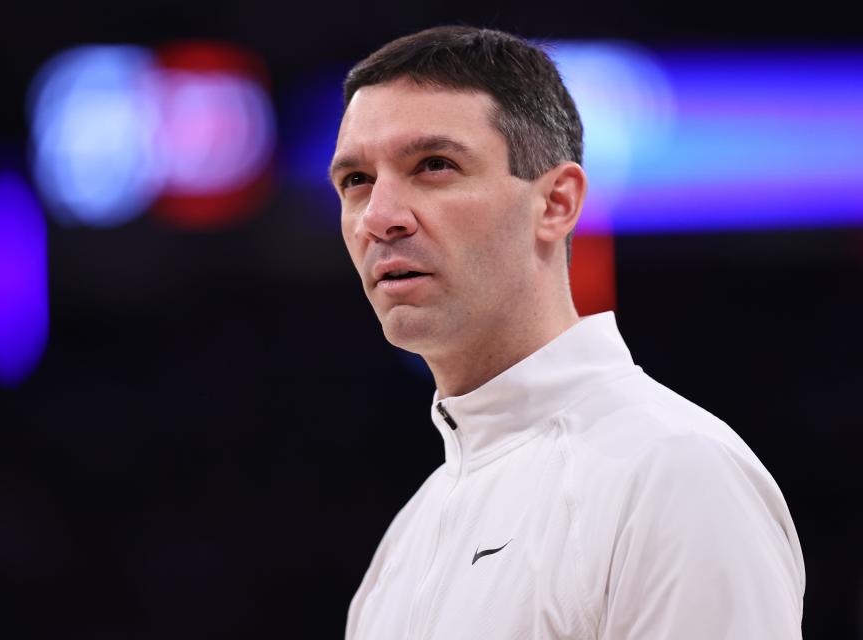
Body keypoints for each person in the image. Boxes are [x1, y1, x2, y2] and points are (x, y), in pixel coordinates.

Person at [330, 26, 805, 639]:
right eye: (356, 181)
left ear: (556, 203)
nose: (380, 218)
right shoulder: (405, 543)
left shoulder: (675, 473)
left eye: (434, 165)